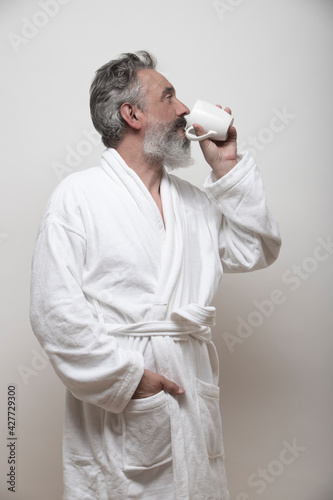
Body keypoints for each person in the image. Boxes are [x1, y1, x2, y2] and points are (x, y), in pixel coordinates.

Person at [30, 50, 281, 500]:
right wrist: (128, 379)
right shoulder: (78, 197)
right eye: (169, 96)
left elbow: (256, 249)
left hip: (190, 389)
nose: (185, 108)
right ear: (132, 114)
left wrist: (225, 167)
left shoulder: (195, 203)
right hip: (124, 400)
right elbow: (54, 312)